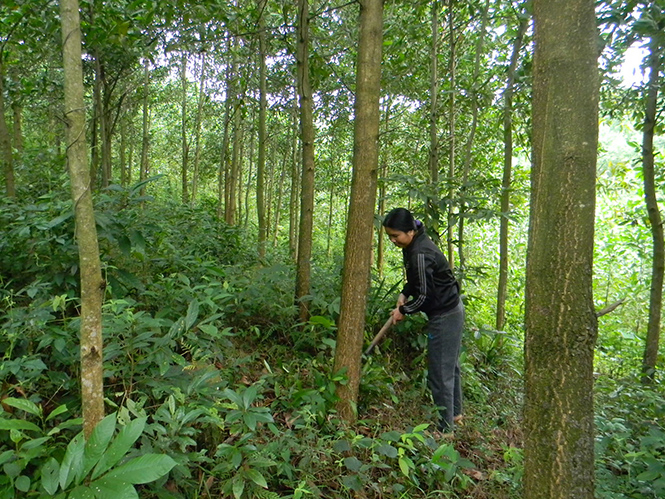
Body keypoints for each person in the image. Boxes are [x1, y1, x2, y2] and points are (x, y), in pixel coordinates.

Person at [382, 207, 464, 434]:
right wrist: (403, 293)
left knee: (440, 372)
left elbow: (425, 297)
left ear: (410, 231)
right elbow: (415, 278)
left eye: (395, 236)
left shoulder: (420, 252)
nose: (392, 240)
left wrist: (403, 310)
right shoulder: (413, 243)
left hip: (445, 314)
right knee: (449, 367)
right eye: (389, 236)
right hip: (451, 307)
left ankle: (444, 430)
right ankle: (455, 414)